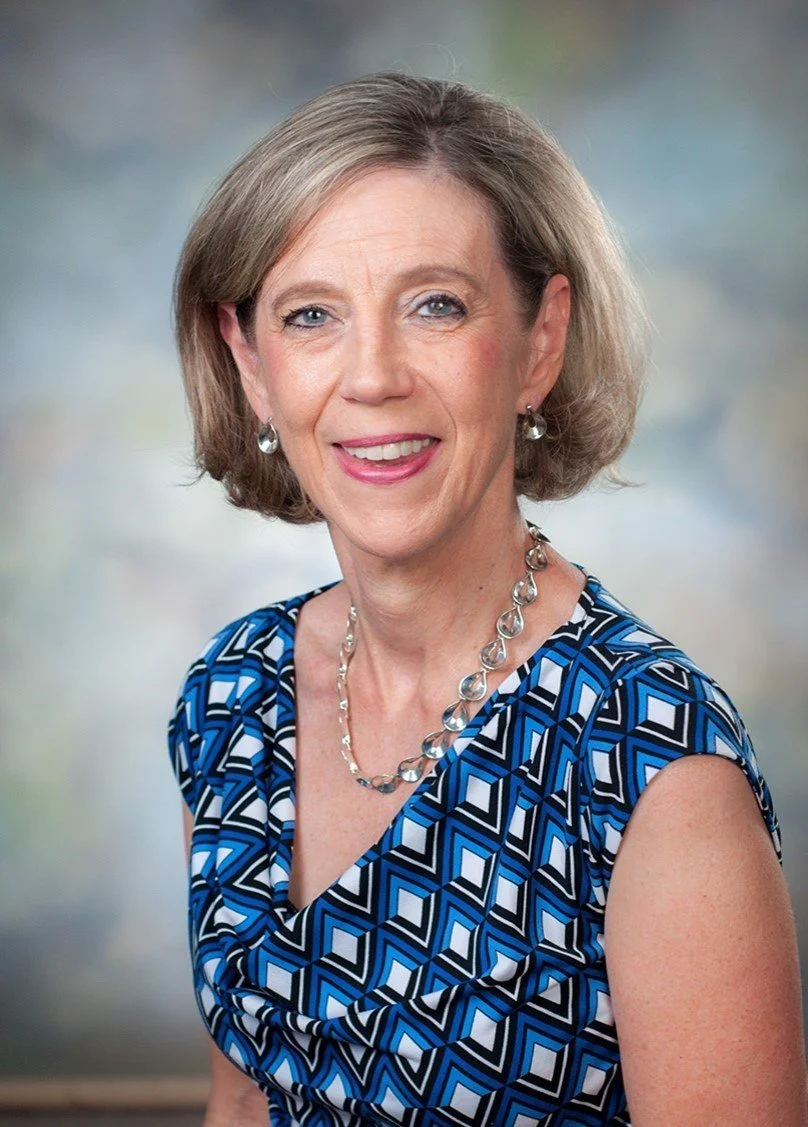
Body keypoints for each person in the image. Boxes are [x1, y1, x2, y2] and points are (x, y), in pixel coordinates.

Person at [168, 73, 807, 1127]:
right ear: (251, 365)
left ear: (538, 341)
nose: (372, 376)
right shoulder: (234, 691)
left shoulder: (649, 768)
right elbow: (242, 1102)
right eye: (312, 314)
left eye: (435, 305)